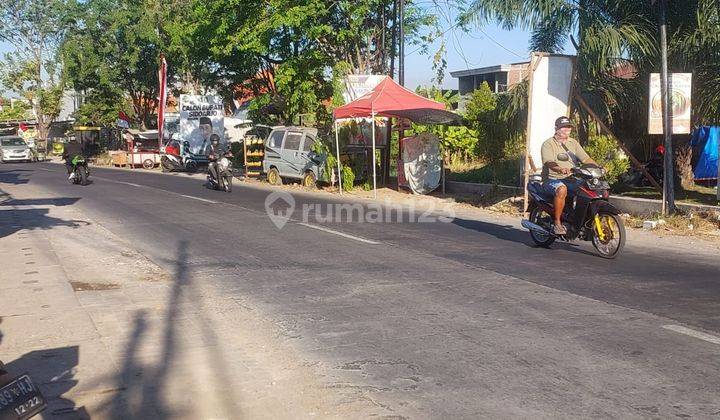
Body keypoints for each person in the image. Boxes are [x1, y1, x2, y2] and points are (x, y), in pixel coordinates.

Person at [541, 116, 598, 235]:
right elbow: (549, 162)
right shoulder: (548, 144)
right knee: (562, 189)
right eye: (563, 127)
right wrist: (559, 169)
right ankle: (557, 223)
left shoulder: (573, 143)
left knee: (587, 189)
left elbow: (586, 159)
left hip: (571, 178)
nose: (567, 129)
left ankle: (580, 220)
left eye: (568, 127)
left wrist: (598, 168)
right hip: (552, 179)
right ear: (556, 128)